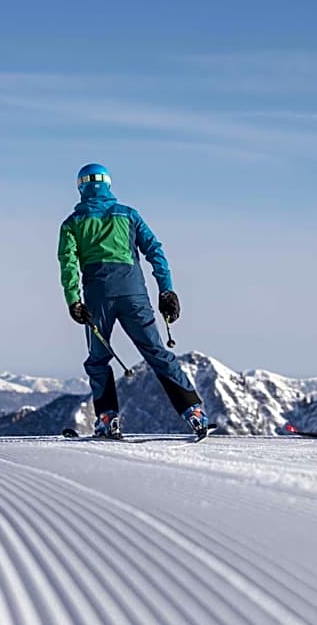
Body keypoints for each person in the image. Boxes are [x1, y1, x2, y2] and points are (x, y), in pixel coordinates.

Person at [57, 163, 208, 439]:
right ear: (108, 184)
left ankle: (107, 418)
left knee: (98, 360)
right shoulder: (128, 215)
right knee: (157, 352)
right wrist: (167, 291)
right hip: (134, 295)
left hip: (97, 298)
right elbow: (155, 251)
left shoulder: (72, 223)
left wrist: (73, 301)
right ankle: (194, 412)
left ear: (80, 186)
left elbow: (67, 264)